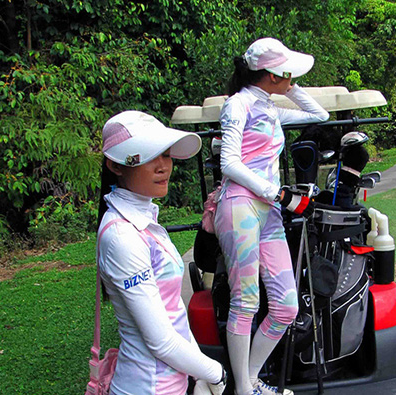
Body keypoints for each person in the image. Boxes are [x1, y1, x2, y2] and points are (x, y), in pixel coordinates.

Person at [214, 37, 329, 395]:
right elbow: (229, 162)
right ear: (271, 73)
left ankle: (246, 381)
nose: (291, 76)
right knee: (245, 301)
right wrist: (274, 193)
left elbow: (319, 115)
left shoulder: (269, 107)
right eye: (287, 71)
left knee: (285, 307)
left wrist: (291, 87)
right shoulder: (238, 106)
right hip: (241, 207)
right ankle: (246, 391)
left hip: (268, 213)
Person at [96, 110, 227, 395]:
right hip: (148, 387)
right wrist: (216, 373)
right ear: (116, 165)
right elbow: (161, 341)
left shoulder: (144, 221)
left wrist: (197, 371)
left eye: (166, 154)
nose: (163, 166)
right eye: (148, 156)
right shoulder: (123, 237)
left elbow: (174, 313)